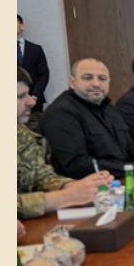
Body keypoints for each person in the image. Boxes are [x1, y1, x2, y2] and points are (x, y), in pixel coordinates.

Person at [39, 58, 134, 178]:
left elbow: (129, 147)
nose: (96, 84)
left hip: (119, 180)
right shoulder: (61, 112)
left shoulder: (108, 108)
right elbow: (76, 165)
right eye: (87, 78)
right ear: (72, 82)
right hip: (85, 188)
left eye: (102, 78)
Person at [17, 67, 111, 219]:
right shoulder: (61, 112)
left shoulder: (21, 132)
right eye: (20, 96)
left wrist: (77, 186)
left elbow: (42, 176)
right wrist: (64, 197)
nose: (31, 102)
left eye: (28, 94)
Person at [18, 14, 50, 114]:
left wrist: (34, 96)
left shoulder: (36, 49)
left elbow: (44, 74)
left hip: (34, 101)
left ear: (22, 26)